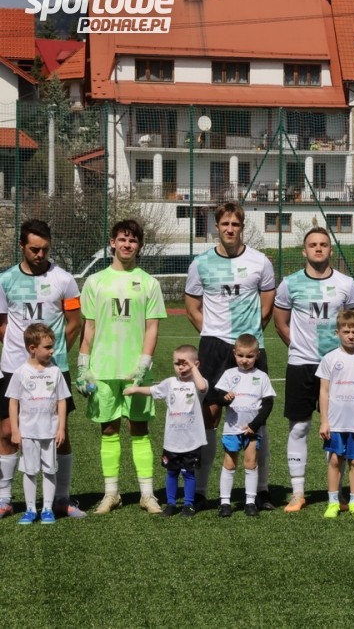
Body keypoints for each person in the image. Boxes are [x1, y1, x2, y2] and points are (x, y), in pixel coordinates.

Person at [185, 201, 276, 510]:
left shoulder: (260, 262)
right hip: (214, 347)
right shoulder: (200, 263)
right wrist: (212, 332)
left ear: (242, 227)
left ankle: (261, 490)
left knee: (257, 418)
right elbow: (192, 307)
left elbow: (267, 307)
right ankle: (201, 491)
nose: (229, 229)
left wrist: (249, 340)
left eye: (235, 224)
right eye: (224, 224)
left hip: (249, 348)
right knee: (209, 416)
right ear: (217, 226)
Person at [78, 219, 166, 515]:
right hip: (103, 369)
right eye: (122, 239)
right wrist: (83, 365)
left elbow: (152, 327)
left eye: (133, 240)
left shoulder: (149, 283)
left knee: (139, 428)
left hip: (134, 372)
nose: (127, 244)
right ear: (112, 243)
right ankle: (111, 494)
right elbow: (89, 327)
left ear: (139, 246)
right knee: (108, 429)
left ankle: (147, 495)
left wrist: (144, 364)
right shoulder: (95, 282)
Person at [0, 219, 84, 519]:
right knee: (7, 431)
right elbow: (2, 324)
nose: (40, 254)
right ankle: (4, 499)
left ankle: (61, 499)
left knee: (59, 432)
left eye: (45, 249)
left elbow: (74, 323)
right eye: (34, 249)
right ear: (22, 246)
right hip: (14, 367)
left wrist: (54, 356)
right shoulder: (5, 280)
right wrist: (25, 356)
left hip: (54, 368)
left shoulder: (64, 279)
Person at [273, 227, 354, 512]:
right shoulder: (289, 283)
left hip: (337, 367)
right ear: (304, 251)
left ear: (330, 250)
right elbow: (280, 323)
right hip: (301, 365)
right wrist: (299, 347)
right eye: (313, 245)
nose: (319, 248)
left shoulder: (347, 284)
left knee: (336, 430)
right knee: (299, 427)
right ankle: (298, 493)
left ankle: (335, 494)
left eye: (323, 244)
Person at [123, 345, 208, 517]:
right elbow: (152, 390)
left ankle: (188, 504)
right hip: (172, 441)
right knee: (171, 472)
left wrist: (193, 368)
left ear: (196, 364)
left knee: (189, 474)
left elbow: (202, 387)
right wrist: (135, 389)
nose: (181, 367)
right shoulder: (170, 383)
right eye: (177, 363)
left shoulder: (197, 383)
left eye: (185, 363)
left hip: (192, 441)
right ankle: (170, 504)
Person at [6, 323, 69, 524]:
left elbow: (61, 400)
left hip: (49, 431)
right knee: (30, 470)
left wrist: (61, 427)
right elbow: (13, 402)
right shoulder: (20, 372)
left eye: (52, 347)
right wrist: (15, 430)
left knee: (50, 470)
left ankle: (47, 509)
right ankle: (31, 509)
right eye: (47, 347)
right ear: (32, 348)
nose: (52, 351)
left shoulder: (55, 372)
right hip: (28, 432)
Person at [317, 310, 354, 519]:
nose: (350, 336)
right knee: (335, 460)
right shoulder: (329, 359)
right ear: (338, 333)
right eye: (346, 332)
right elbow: (324, 391)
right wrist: (324, 421)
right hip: (335, 422)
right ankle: (333, 502)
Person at [214, 334, 276, 518]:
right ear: (234, 353)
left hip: (252, 430)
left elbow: (268, 404)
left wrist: (255, 425)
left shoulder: (261, 377)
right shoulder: (229, 374)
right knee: (229, 463)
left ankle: (250, 502)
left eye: (249, 356)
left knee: (251, 463)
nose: (244, 360)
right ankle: (225, 503)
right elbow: (219, 398)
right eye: (240, 355)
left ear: (257, 355)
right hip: (232, 429)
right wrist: (225, 399)